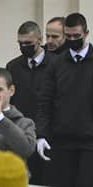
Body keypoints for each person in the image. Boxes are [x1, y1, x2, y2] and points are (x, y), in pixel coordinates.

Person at [36, 13, 93, 187]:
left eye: (77, 36)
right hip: (61, 141)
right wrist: (41, 134)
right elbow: (45, 100)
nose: (72, 39)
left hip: (90, 142)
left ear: (86, 33)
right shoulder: (57, 63)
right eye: (68, 36)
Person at [6, 21, 56, 185]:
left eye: (29, 43)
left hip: (49, 135)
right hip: (22, 134)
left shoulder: (56, 64)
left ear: (40, 40)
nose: (24, 46)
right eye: (21, 43)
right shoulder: (13, 67)